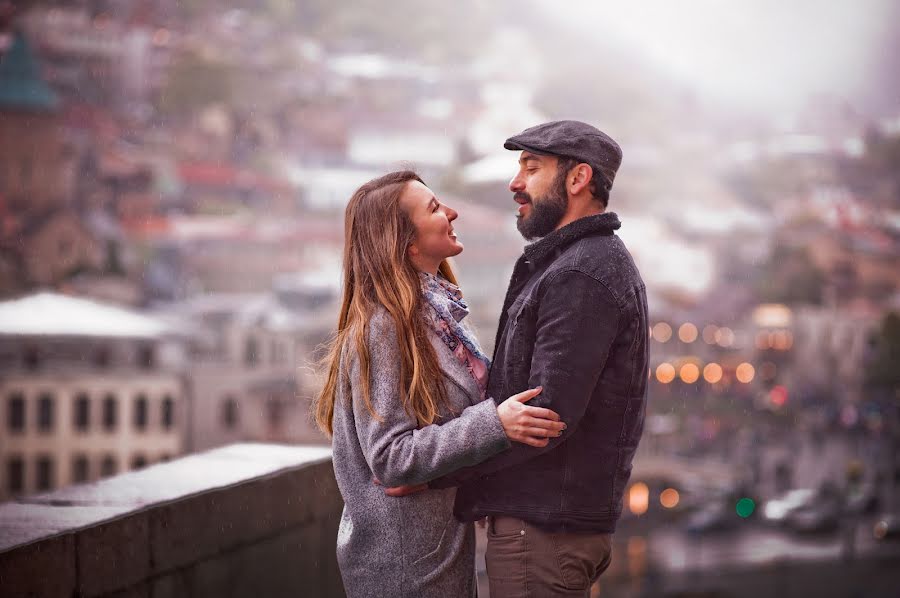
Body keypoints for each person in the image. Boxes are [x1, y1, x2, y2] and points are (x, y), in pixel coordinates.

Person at [313, 170, 567, 598]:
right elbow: (390, 457)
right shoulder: (384, 327)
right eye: (434, 209)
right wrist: (495, 425)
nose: (452, 212)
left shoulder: (438, 319)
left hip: (434, 558)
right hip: (404, 572)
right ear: (406, 243)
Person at [427, 120, 650, 597]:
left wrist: (433, 471)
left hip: (544, 534)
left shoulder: (581, 273)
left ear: (577, 180)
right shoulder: (579, 262)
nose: (515, 183)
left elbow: (542, 417)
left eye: (532, 168)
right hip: (548, 528)